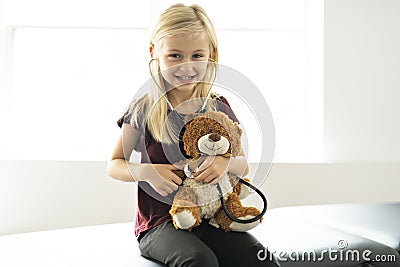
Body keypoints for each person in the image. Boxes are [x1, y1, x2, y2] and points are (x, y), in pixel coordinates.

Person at [107, 4, 279, 267]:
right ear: (155, 52)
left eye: (197, 55)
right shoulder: (143, 109)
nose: (186, 66)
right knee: (200, 261)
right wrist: (147, 172)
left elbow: (242, 164)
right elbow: (114, 164)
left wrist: (225, 162)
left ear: (211, 55)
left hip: (210, 217)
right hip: (159, 224)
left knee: (259, 260)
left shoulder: (219, 106)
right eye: (175, 55)